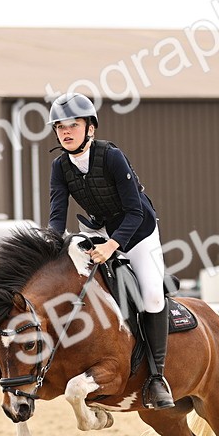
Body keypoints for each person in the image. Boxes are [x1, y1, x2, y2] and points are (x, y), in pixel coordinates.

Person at [46, 92, 174, 410]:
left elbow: (134, 212)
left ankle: (157, 378)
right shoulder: (60, 167)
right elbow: (56, 217)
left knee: (152, 296)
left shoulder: (111, 157)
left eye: (72, 125)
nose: (65, 132)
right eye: (60, 127)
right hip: (97, 229)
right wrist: (49, 251)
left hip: (139, 230)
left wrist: (113, 247)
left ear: (90, 128)